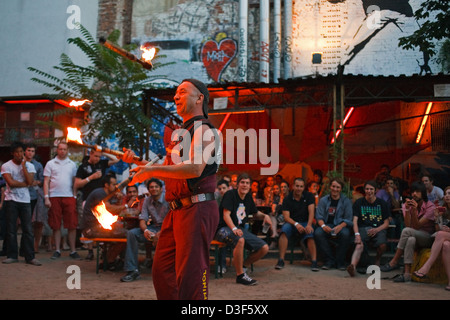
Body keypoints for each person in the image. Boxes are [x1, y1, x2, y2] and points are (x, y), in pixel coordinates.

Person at [122, 78, 220, 300]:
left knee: (192, 275)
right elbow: (171, 169)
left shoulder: (204, 129)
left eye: (183, 92)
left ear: (199, 98)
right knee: (163, 271)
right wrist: (141, 164)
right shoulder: (181, 133)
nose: (176, 96)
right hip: (176, 212)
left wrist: (152, 171)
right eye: (176, 93)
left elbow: (195, 168)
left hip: (197, 207)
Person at [214, 173, 271, 285]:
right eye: (242, 182)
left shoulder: (248, 197)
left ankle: (243, 266)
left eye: (247, 183)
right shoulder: (230, 194)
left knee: (264, 248)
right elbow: (226, 215)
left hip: (238, 229)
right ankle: (240, 276)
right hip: (222, 229)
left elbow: (255, 213)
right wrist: (234, 228)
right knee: (240, 240)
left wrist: (265, 216)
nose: (245, 185)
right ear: (238, 184)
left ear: (250, 186)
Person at [381, 181, 436, 282]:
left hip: (428, 238)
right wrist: (407, 209)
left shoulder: (430, 207)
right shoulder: (408, 204)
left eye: (417, 191)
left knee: (407, 231)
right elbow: (408, 225)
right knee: (410, 239)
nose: (414, 194)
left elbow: (417, 225)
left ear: (423, 193)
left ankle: (394, 261)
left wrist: (414, 211)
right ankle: (407, 274)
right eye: (413, 192)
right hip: (413, 234)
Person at [121, 178, 169, 282]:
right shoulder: (147, 200)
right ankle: (132, 270)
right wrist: (146, 231)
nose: (154, 189)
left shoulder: (168, 199)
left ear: (161, 189)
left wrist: (161, 233)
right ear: (148, 189)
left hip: (168, 229)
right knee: (132, 233)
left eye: (156, 187)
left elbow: (173, 221)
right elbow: (142, 219)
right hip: (154, 228)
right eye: (151, 187)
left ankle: (168, 271)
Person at [1, 141, 40, 266]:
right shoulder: (6, 166)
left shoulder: (30, 166)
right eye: (16, 152)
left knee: (28, 229)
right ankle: (12, 255)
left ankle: (30, 257)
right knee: (11, 229)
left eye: (21, 152)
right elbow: (11, 183)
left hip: (25, 200)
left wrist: (23, 166)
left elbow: (30, 180)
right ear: (12, 153)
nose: (19, 154)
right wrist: (26, 184)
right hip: (10, 200)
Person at [79, 174, 128, 268]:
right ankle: (110, 261)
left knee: (125, 232)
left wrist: (119, 199)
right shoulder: (99, 193)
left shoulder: (107, 194)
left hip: (100, 227)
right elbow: (110, 209)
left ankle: (109, 260)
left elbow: (113, 210)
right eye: (114, 184)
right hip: (91, 229)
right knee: (126, 234)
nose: (116, 186)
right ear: (106, 185)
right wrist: (126, 206)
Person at [43, 141, 80, 260]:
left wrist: (74, 195)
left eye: (64, 149)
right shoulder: (50, 163)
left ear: (67, 150)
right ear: (56, 150)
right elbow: (46, 181)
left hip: (69, 196)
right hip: (54, 196)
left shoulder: (72, 164)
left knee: (72, 224)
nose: (62, 151)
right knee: (56, 224)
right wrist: (46, 197)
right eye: (60, 149)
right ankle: (57, 249)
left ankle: (73, 250)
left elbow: (75, 181)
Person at [346, 180, 391, 276]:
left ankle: (377, 260)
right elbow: (355, 220)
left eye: (371, 189)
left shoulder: (382, 203)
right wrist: (357, 234)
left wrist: (377, 230)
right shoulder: (359, 202)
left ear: (375, 190)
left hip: (378, 228)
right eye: (367, 189)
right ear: (364, 190)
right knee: (359, 244)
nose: (369, 191)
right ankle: (352, 266)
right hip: (363, 228)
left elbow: (386, 223)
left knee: (382, 245)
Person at [275, 177, 318, 271]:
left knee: (310, 234)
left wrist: (309, 225)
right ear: (293, 186)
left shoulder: (309, 196)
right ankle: (281, 260)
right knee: (284, 231)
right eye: (297, 186)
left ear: (304, 188)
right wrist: (296, 224)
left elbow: (311, 212)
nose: (299, 188)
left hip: (306, 222)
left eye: (301, 186)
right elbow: (286, 217)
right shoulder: (287, 198)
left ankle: (314, 262)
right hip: (292, 223)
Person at [413, 186, 450, 291]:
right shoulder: (444, 210)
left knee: (441, 235)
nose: (447, 196)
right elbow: (438, 229)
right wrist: (438, 217)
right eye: (446, 194)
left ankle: (426, 267)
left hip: (445, 235)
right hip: (447, 238)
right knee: (446, 245)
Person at [314, 177, 353, 270]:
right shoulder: (323, 200)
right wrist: (323, 226)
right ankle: (329, 260)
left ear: (341, 189)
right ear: (330, 187)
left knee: (345, 234)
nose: (335, 189)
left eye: (338, 187)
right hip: (327, 224)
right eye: (333, 186)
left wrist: (340, 226)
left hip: (341, 225)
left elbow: (348, 218)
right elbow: (319, 216)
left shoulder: (346, 201)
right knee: (318, 233)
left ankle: (340, 262)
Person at [24, 143, 45, 253]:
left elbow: (42, 181)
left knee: (38, 222)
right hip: (22, 195)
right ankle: (25, 246)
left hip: (36, 195)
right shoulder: (20, 163)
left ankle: (35, 245)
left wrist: (36, 182)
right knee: (25, 222)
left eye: (32, 151)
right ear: (24, 151)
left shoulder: (38, 165)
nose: (30, 153)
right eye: (28, 150)